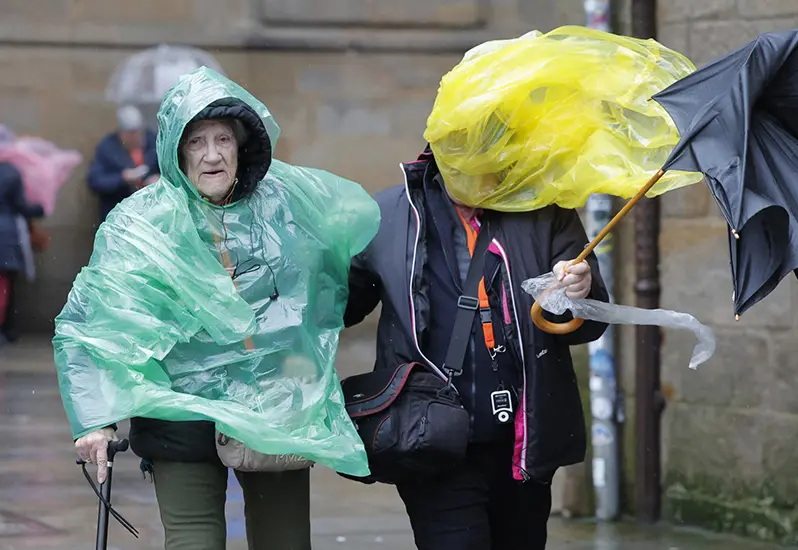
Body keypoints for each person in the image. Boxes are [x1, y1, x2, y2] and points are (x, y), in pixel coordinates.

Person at [65, 70, 377, 550]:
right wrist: (96, 419)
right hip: (180, 419)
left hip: (276, 410)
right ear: (176, 150)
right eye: (196, 142)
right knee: (194, 542)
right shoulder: (140, 224)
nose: (212, 154)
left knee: (285, 541)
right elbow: (99, 322)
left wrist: (306, 372)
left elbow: (328, 291)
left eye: (223, 140)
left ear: (241, 147)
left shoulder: (285, 205)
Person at [343, 146, 610, 550]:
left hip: (524, 442)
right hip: (430, 437)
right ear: (437, 148)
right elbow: (338, 306)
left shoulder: (544, 210)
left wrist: (577, 292)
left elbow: (585, 325)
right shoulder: (388, 215)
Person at [87, 104, 160, 222]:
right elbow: (95, 181)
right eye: (131, 133)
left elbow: (173, 169)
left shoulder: (154, 142)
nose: (136, 137)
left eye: (138, 132)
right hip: (120, 213)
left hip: (152, 212)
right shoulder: (107, 148)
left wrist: (160, 180)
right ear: (121, 133)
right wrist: (122, 178)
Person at [0, 161, 43, 344]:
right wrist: (39, 208)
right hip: (6, 235)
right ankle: (5, 330)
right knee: (5, 286)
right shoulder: (10, 171)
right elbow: (21, 206)